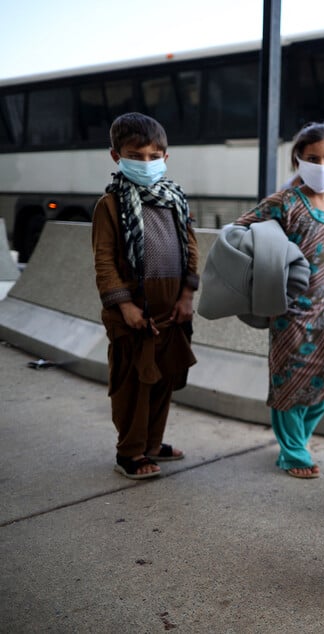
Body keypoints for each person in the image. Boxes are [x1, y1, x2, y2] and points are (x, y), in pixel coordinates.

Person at [233, 121, 324, 478]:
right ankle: (293, 452)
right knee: (288, 380)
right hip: (289, 311)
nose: (322, 165)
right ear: (298, 159)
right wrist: (272, 267)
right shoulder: (285, 202)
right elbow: (240, 231)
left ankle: (298, 440)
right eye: (313, 157)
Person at [92, 112, 199, 480]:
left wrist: (187, 297)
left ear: (166, 158)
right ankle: (130, 451)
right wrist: (124, 305)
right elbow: (105, 261)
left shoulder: (175, 200)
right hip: (132, 315)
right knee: (133, 384)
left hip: (171, 312)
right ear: (116, 156)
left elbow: (191, 249)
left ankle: (152, 443)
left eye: (154, 155)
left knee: (163, 379)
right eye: (135, 155)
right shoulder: (110, 205)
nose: (146, 162)